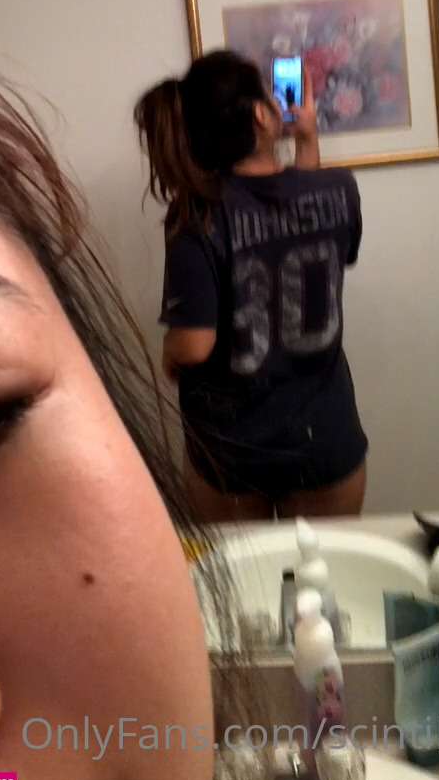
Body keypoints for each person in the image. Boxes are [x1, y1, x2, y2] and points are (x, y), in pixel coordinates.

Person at [0, 0, 265, 780]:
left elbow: (191, 348)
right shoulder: (330, 194)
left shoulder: (198, 231)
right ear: (258, 118)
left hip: (237, 441)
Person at [134, 49, 368, 524]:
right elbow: (302, 213)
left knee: (242, 575)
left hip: (232, 450)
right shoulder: (339, 190)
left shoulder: (196, 215)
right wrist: (307, 138)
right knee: (323, 568)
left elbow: (193, 346)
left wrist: (170, 351)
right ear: (261, 115)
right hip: (321, 437)